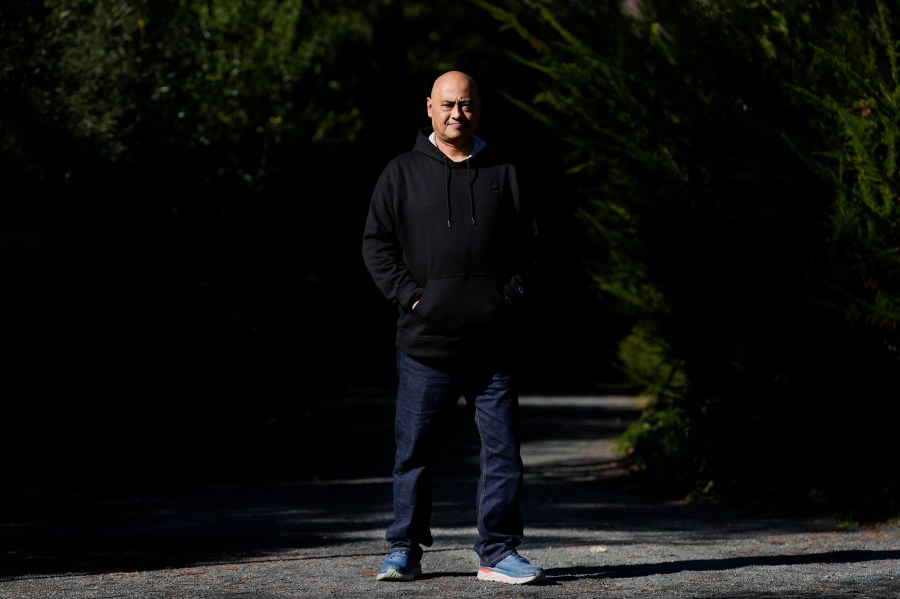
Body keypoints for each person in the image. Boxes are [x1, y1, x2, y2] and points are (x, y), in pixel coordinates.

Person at [361, 70, 544, 585]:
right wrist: (413, 297)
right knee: (414, 453)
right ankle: (403, 550)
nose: (455, 114)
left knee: (503, 452)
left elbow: (533, 247)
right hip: (424, 344)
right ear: (428, 108)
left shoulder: (504, 171)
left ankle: (498, 552)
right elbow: (376, 244)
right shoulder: (400, 173)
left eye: (465, 105)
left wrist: (507, 297)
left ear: (478, 108)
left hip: (493, 344)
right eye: (446, 104)